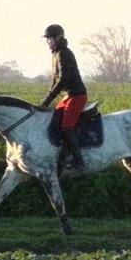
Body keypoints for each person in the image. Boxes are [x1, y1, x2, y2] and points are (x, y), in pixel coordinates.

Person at [40, 24, 88, 170]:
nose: (47, 41)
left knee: (67, 126)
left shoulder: (64, 53)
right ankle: (62, 154)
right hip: (67, 97)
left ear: (58, 38)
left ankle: (78, 160)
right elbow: (54, 81)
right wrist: (45, 101)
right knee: (54, 120)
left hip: (77, 95)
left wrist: (47, 100)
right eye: (47, 39)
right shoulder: (55, 54)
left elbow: (63, 80)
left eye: (49, 38)